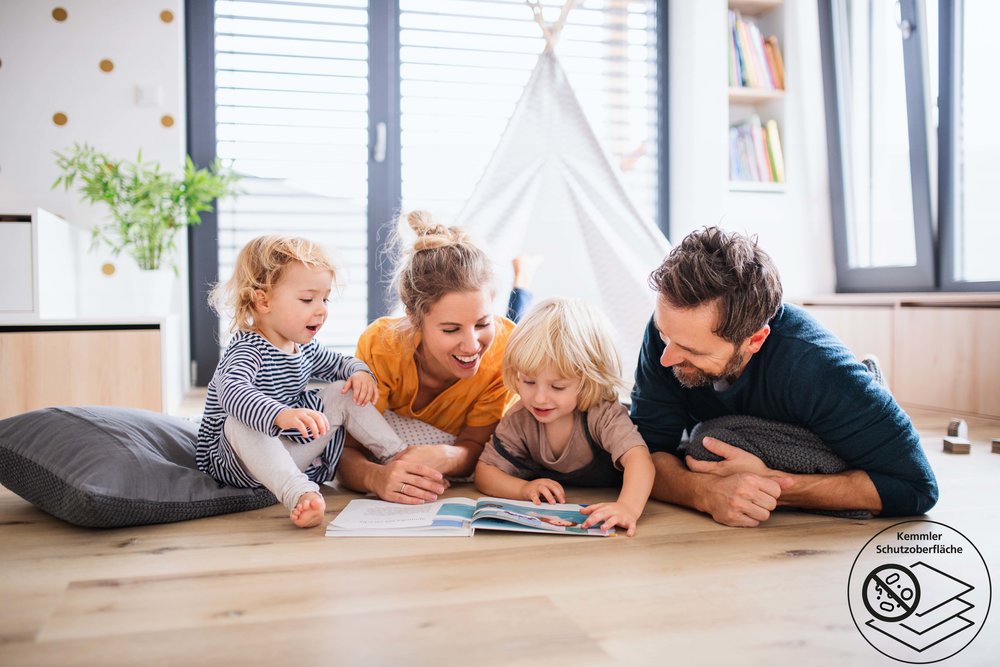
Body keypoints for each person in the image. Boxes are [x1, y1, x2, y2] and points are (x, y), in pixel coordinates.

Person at [630, 226, 939, 527]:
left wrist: (773, 486)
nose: (665, 357)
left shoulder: (816, 367)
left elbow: (916, 486)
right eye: (663, 333)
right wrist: (703, 493)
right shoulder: (671, 333)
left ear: (755, 340)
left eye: (691, 350)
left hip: (824, 413)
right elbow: (644, 454)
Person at [196, 235, 405, 528]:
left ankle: (397, 455)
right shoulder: (247, 349)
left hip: (286, 452)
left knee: (341, 391)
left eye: (325, 298)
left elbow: (340, 362)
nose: (321, 309)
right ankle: (300, 493)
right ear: (263, 300)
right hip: (237, 461)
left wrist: (359, 373)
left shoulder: (303, 347)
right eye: (308, 299)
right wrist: (279, 415)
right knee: (238, 421)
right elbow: (231, 392)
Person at [336, 211, 523, 504]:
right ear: (414, 317)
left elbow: (478, 446)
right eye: (451, 329)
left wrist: (448, 455)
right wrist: (376, 477)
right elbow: (345, 449)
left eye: (483, 324)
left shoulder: (503, 351)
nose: (472, 345)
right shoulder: (382, 346)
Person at [475, 298, 655, 536]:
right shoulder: (520, 417)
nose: (539, 398)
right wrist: (523, 489)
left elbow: (640, 460)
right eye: (528, 381)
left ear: (588, 381)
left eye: (557, 387)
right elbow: (485, 472)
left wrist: (627, 507)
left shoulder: (601, 412)